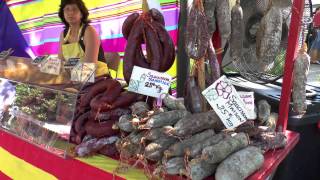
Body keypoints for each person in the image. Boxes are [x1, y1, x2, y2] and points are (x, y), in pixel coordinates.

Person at [58, 0, 109, 76]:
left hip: (97, 79)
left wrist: (66, 72)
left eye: (74, 9)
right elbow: (60, 64)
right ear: (63, 14)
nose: (70, 12)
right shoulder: (63, 34)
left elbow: (88, 69)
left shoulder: (89, 31)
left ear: (81, 14)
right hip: (74, 78)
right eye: (67, 9)